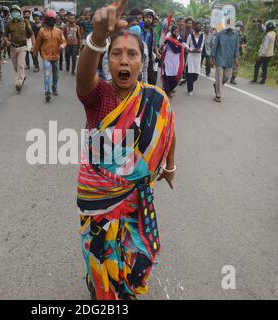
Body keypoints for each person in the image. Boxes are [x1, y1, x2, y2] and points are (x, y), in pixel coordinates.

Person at [76, 0, 176, 300]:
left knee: (132, 263)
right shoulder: (100, 97)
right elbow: (82, 80)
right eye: (115, 54)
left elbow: (169, 131)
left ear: (140, 63)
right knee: (102, 263)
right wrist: (96, 39)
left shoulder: (156, 99)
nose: (123, 60)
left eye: (131, 54)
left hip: (136, 200)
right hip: (99, 202)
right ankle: (100, 289)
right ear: (107, 62)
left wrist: (170, 167)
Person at [33, 9, 66, 102]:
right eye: (49, 18)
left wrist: (62, 46)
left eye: (52, 18)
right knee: (47, 74)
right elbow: (37, 44)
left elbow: (64, 41)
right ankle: (47, 92)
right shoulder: (42, 31)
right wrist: (35, 53)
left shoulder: (59, 31)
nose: (50, 20)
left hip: (56, 57)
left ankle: (54, 87)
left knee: (56, 75)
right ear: (45, 20)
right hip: (46, 56)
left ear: (55, 20)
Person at [4, 5, 34, 92]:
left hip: (23, 47)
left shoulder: (25, 22)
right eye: (13, 12)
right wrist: (7, 41)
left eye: (16, 12)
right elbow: (5, 35)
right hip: (13, 47)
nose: (15, 13)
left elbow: (31, 34)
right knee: (15, 66)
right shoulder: (9, 24)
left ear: (19, 13)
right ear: (11, 13)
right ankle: (22, 76)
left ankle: (18, 83)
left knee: (20, 64)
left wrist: (33, 46)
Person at [210, 25, 239, 102]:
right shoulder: (220, 34)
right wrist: (212, 57)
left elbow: (236, 47)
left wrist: (236, 57)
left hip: (229, 60)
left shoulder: (236, 35)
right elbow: (215, 46)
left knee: (227, 77)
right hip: (220, 59)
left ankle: (216, 85)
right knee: (219, 78)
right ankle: (218, 96)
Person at [161, 25, 185, 97]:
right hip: (168, 61)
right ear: (172, 32)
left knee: (175, 80)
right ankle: (167, 94)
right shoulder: (168, 40)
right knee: (167, 78)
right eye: (175, 32)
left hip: (176, 62)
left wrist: (179, 45)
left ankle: (168, 90)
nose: (176, 33)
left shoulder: (180, 40)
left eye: (178, 32)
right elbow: (174, 50)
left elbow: (180, 50)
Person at [251, 21, 276, 85]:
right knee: (265, 67)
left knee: (257, 65)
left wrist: (261, 55)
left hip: (264, 54)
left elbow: (265, 46)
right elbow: (265, 30)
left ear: (268, 27)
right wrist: (261, 25)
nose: (266, 28)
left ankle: (255, 79)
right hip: (270, 54)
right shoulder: (273, 33)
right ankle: (263, 80)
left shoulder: (268, 35)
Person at [185, 21, 204, 95]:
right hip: (191, 56)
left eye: (199, 26)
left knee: (195, 76)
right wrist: (190, 50)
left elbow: (202, 46)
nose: (198, 27)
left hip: (198, 57)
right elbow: (186, 45)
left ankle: (190, 82)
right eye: (197, 26)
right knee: (190, 73)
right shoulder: (190, 35)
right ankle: (190, 89)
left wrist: (200, 50)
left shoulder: (202, 36)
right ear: (194, 27)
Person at [140, 8, 159, 85]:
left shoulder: (153, 32)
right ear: (143, 18)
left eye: (150, 18)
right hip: (139, 57)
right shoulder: (139, 29)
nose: (148, 19)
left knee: (152, 81)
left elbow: (154, 45)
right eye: (147, 17)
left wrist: (157, 53)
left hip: (149, 59)